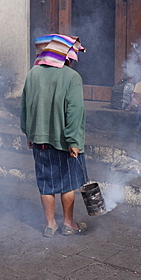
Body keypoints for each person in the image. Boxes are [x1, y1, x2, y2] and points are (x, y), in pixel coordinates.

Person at [20, 34, 88, 237]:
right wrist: (74, 141)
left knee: (46, 183)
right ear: (65, 56)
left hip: (39, 140)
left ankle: (50, 224)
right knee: (67, 184)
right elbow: (75, 111)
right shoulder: (71, 77)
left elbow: (24, 107)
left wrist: (29, 133)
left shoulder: (33, 74)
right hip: (65, 142)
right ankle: (68, 223)